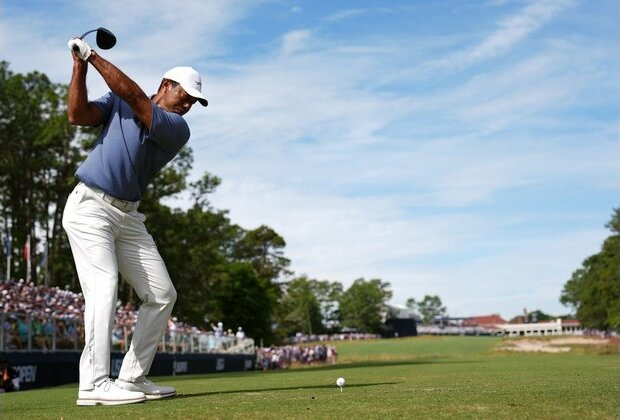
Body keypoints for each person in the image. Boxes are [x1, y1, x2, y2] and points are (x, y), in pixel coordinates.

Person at [63, 36, 208, 406]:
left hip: (128, 217)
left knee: (161, 294)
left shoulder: (176, 127)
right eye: (186, 95)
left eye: (195, 101)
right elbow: (77, 115)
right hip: (89, 207)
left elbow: (135, 98)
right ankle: (93, 384)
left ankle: (131, 378)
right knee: (104, 286)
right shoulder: (118, 102)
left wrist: (92, 54)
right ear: (166, 85)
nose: (189, 104)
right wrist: (79, 65)